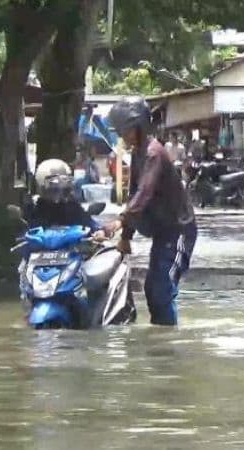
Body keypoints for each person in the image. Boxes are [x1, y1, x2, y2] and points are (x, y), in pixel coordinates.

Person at [102, 96, 197, 326]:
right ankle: (160, 341)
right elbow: (135, 195)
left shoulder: (154, 153)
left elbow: (144, 194)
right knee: (152, 289)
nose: (122, 136)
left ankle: (167, 347)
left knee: (161, 288)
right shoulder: (138, 154)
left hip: (179, 230)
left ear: (138, 126)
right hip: (162, 233)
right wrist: (125, 238)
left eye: (124, 130)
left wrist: (119, 222)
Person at [24, 158, 106, 240]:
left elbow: (90, 224)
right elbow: (26, 233)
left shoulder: (72, 208)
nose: (60, 195)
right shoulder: (34, 210)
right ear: (42, 188)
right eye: (54, 189)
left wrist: (99, 232)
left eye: (65, 189)